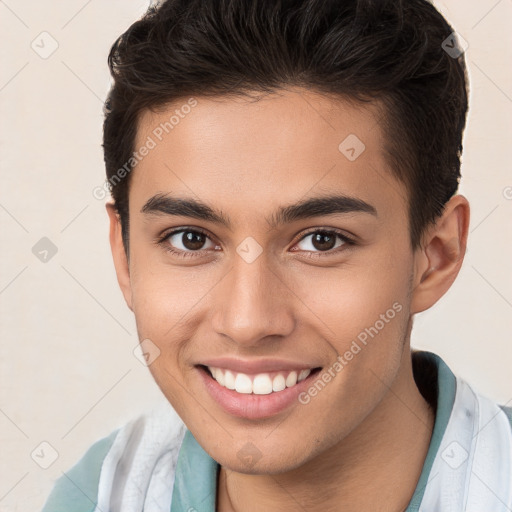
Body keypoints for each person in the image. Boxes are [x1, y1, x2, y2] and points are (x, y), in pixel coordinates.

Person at [41, 0, 512, 510]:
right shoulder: (96, 495)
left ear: (436, 255)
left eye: (321, 241)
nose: (247, 322)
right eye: (191, 239)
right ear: (125, 255)